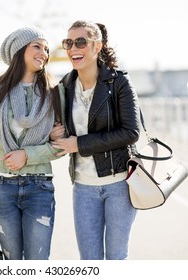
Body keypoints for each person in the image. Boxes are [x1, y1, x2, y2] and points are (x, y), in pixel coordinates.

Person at [50, 20, 140, 260]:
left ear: (97, 46)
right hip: (83, 186)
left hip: (119, 183)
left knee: (116, 257)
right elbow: (56, 128)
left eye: (81, 41)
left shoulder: (119, 82)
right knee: (89, 261)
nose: (73, 48)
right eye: (68, 42)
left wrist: (79, 144)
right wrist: (54, 134)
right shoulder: (64, 87)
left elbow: (131, 132)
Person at [0, 27, 64, 260]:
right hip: (0, 189)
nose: (44, 53)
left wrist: (28, 155)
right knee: (12, 262)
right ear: (19, 50)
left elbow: (63, 144)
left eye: (46, 49)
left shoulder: (53, 91)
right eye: (37, 46)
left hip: (39, 187)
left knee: (38, 262)